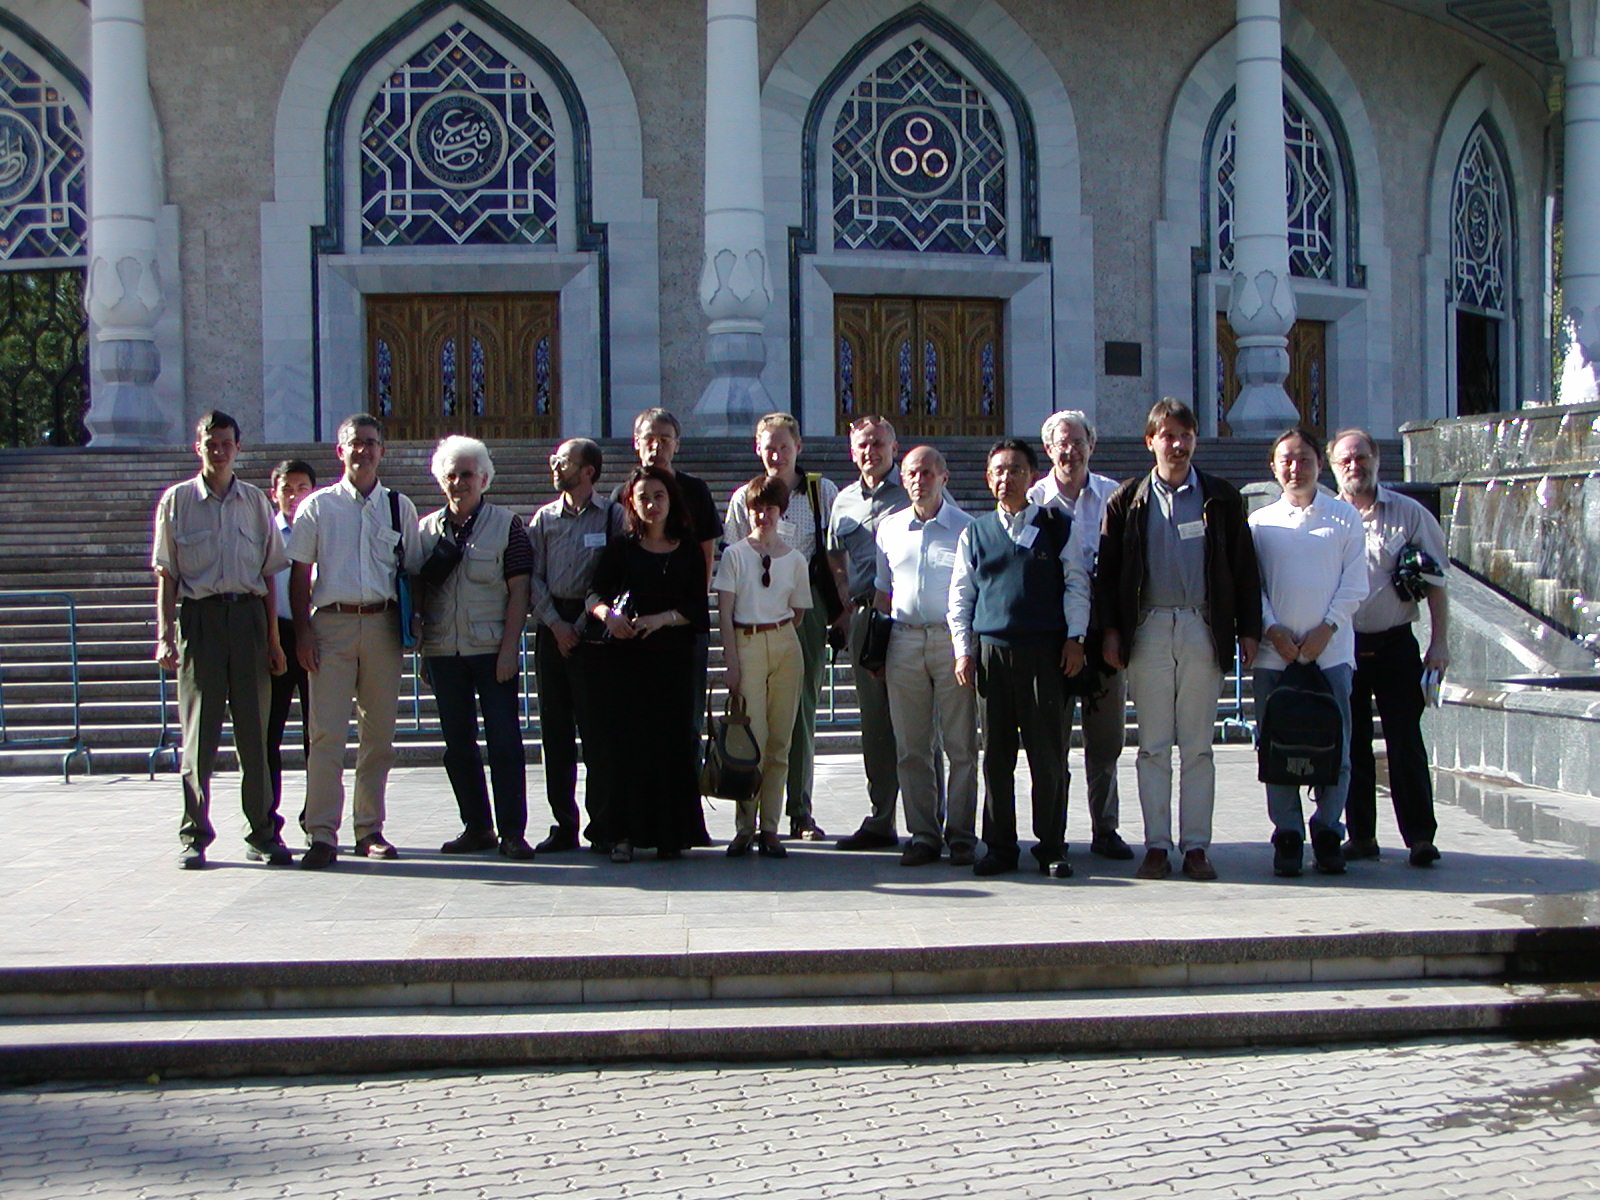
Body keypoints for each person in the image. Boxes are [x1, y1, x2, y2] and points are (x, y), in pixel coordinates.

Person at [1095, 398, 1261, 883]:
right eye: (1168, 435)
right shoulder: (1128, 500)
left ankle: (1195, 846)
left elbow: (1243, 568)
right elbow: (1108, 571)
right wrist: (1111, 630)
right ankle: (1156, 844)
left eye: (1185, 435)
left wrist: (1247, 628)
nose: (1178, 444)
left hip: (1201, 627)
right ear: (1151, 442)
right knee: (1152, 745)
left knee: (1197, 746)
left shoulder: (1221, 498)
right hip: (1147, 629)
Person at [152, 411, 290, 869]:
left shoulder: (254, 502)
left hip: (248, 619)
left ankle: (263, 832)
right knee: (199, 737)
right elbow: (167, 574)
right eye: (211, 443)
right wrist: (165, 635)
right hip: (201, 621)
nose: (219, 450)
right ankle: (194, 834)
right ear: (199, 447)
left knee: (255, 733)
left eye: (227, 442)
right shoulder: (176, 502)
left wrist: (272, 641)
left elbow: (269, 576)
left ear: (238, 447)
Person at [288, 412, 424, 870]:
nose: (363, 450)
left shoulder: (398, 506)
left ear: (382, 451)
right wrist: (303, 631)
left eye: (371, 442)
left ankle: (369, 828)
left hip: (383, 625)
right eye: (354, 443)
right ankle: (321, 833)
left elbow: (410, 568)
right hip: (332, 624)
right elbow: (299, 572)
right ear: (339, 451)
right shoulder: (318, 506)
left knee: (378, 735)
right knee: (326, 733)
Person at [949, 438, 1090, 879]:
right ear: (988, 479)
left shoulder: (1058, 525)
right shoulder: (975, 532)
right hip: (994, 655)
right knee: (997, 757)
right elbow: (961, 595)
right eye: (998, 471)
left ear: (1032, 476)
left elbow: (1076, 584)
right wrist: (963, 650)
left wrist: (1076, 638)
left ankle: (1051, 845)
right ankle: (1000, 847)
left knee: (1048, 756)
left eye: (1015, 470)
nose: (1006, 478)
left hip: (1047, 656)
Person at [1250, 427, 1368, 878]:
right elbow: (1253, 586)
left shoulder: (1344, 518)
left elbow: (1355, 582)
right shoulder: (1260, 523)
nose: (1295, 468)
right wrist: (1272, 629)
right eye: (1286, 460)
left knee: (1335, 744)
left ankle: (1326, 829)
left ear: (1320, 464)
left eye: (1304, 459)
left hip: (1331, 654)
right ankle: (1288, 833)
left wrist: (1327, 628)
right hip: (1274, 655)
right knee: (1276, 745)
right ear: (1274, 467)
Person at [1329, 428, 1450, 868]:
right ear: (1333, 467)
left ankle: (1420, 836)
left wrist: (1439, 643)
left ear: (1377, 459)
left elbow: (1436, 583)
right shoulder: (1327, 516)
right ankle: (1361, 835)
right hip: (1344, 645)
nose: (1354, 467)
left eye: (1361, 457)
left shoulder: (1409, 514)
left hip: (1397, 643)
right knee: (1352, 743)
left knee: (1405, 742)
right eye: (1345, 461)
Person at [723, 413, 841, 841]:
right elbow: (733, 554)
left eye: (784, 446)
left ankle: (799, 810)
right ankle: (749, 817)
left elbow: (832, 552)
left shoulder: (820, 491)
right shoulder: (744, 498)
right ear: (758, 449)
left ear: (798, 448)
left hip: (802, 607)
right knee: (753, 720)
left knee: (801, 710)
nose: (776, 454)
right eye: (769, 447)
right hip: (754, 612)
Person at [418, 436, 536, 861]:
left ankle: (512, 832)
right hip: (443, 651)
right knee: (458, 746)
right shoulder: (426, 530)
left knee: (505, 743)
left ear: (484, 478)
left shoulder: (508, 525)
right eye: (450, 475)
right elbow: (419, 594)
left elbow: (519, 592)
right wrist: (422, 652)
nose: (459, 482)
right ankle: (477, 826)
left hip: (491, 651)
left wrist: (510, 649)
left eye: (467, 474)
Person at [589, 465, 712, 862]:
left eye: (659, 496)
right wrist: (609, 615)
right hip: (627, 662)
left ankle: (669, 834)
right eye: (643, 497)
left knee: (672, 745)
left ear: (671, 500)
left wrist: (662, 619)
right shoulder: (621, 548)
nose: (652, 504)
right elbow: (594, 594)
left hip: (674, 661)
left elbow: (697, 606)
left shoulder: (688, 547)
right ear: (631, 503)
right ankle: (622, 834)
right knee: (627, 747)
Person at [1027, 409, 1132, 861]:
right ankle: (1054, 831)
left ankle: (1105, 828)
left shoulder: (1114, 496)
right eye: (1060, 444)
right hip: (1053, 637)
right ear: (1048, 450)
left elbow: (1127, 569)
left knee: (1105, 739)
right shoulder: (1034, 499)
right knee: (1052, 738)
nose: (1069, 451)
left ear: (1092, 445)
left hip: (1102, 633)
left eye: (1077, 442)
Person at [873, 445, 978, 866]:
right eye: (913, 473)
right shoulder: (889, 528)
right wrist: (877, 649)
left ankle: (963, 834)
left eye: (929, 472)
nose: (920, 480)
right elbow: (883, 591)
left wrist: (967, 647)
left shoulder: (966, 527)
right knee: (912, 745)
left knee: (960, 745)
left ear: (945, 477)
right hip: (903, 639)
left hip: (951, 642)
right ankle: (923, 833)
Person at [528, 437, 624, 853]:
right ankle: (563, 822)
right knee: (555, 731)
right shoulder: (544, 518)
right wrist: (555, 624)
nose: (555, 467)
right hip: (553, 628)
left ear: (588, 471)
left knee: (598, 730)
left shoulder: (612, 517)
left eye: (563, 462)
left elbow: (616, 575)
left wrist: (582, 624)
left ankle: (602, 823)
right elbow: (532, 576)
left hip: (594, 629)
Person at [613, 408, 723, 754]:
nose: (656, 447)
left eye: (664, 439)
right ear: (636, 444)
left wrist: (693, 605)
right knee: (638, 720)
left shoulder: (695, 491)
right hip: (637, 627)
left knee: (686, 722)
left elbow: (707, 552)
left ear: (676, 445)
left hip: (683, 624)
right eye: (649, 439)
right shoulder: (623, 493)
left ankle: (686, 803)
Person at [714, 475, 812, 858]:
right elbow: (723, 612)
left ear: (781, 511)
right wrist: (732, 660)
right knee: (748, 739)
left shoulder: (796, 558)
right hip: (747, 640)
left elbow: (800, 611)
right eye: (757, 508)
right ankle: (744, 826)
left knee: (780, 741)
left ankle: (770, 827)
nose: (763, 515)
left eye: (770, 508)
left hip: (785, 641)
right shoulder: (736, 554)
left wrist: (779, 628)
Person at [829, 415, 909, 851]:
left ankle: (926, 818)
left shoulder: (915, 487)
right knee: (875, 723)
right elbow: (834, 555)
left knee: (916, 721)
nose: (870, 452)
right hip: (864, 619)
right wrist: (845, 602)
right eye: (863, 444)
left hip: (908, 617)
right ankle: (881, 816)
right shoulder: (842, 502)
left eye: (878, 444)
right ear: (852, 451)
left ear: (893, 448)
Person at [266, 457, 316, 822]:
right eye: (287, 489)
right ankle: (268, 815)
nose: (295, 496)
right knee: (270, 731)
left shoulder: (323, 528)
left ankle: (315, 813)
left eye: (302, 488)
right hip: (277, 634)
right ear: (274, 494)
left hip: (318, 634)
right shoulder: (265, 532)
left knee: (318, 732)